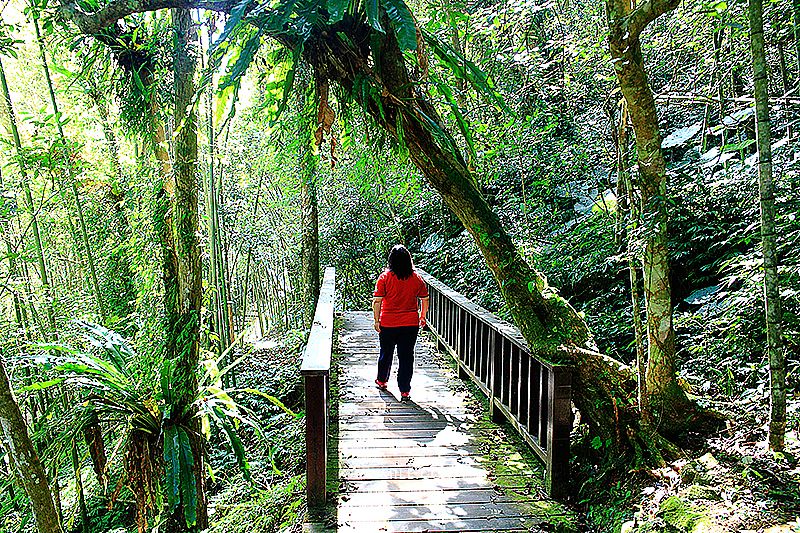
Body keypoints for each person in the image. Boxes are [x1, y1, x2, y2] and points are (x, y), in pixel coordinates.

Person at [372, 245, 429, 402]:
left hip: (388, 323)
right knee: (406, 357)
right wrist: (422, 316)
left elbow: (377, 301)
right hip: (410, 324)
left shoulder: (384, 278)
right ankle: (404, 390)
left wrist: (376, 320)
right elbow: (424, 298)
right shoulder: (416, 278)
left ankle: (382, 381)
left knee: (386, 353)